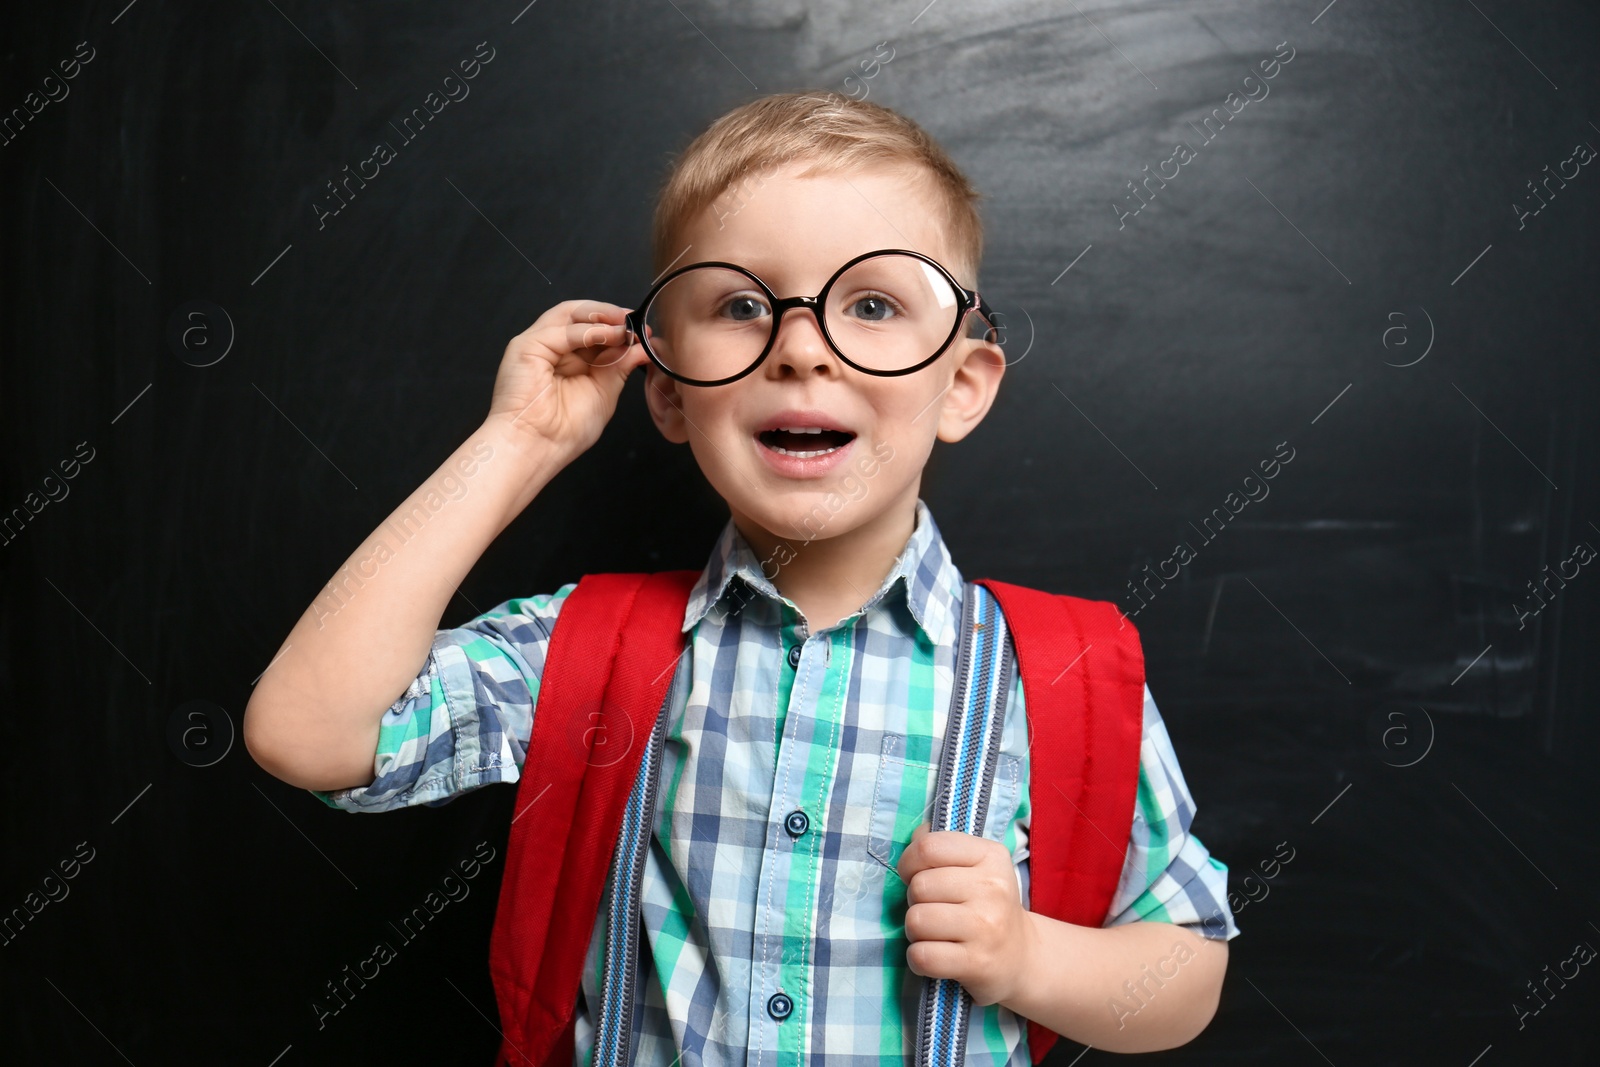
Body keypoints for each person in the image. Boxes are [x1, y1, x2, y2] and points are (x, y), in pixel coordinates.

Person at [243, 89, 1238, 1064]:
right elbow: (307, 734)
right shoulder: (589, 650)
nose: (801, 348)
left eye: (875, 303)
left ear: (961, 385)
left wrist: (1029, 957)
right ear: (669, 392)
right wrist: (521, 441)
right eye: (742, 304)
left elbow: (1183, 972)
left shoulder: (1058, 676)